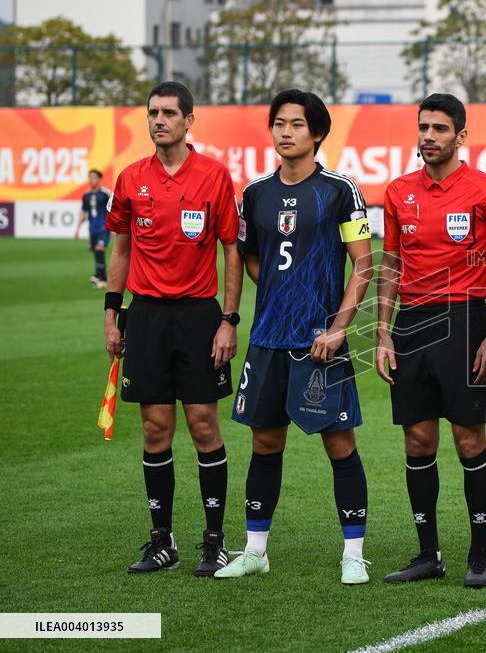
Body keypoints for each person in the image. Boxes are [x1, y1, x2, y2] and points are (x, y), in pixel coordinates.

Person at [216, 89, 374, 585]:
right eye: (279, 123)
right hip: (268, 339)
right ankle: (255, 550)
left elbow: (365, 265)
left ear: (318, 133)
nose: (286, 132)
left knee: (339, 444)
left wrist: (338, 327)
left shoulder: (340, 190)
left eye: (297, 124)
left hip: (319, 342)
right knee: (265, 443)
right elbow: (249, 256)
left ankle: (354, 553)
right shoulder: (255, 194)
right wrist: (279, 298)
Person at [104, 81, 242, 577]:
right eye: (152, 113)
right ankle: (162, 542)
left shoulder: (214, 176)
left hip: (198, 316)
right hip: (144, 316)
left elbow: (231, 250)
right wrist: (111, 314)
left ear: (189, 120)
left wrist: (228, 320)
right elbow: (120, 250)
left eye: (168, 113)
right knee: (154, 427)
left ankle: (214, 541)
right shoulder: (130, 178)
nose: (158, 120)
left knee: (204, 424)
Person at [376, 93, 486, 588]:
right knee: (418, 439)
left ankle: (480, 555)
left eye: (439, 128)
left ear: (461, 135)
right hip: (411, 323)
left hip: (465, 321)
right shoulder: (397, 191)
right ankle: (427, 553)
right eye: (423, 127)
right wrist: (383, 335)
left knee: (468, 437)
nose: (429, 136)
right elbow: (389, 263)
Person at [75, 169, 112, 287]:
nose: (92, 180)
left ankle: (101, 278)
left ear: (99, 179)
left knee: (99, 249)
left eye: (94, 177)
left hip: (104, 227)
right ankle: (100, 277)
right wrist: (77, 228)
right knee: (96, 252)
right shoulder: (86, 195)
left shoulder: (105, 194)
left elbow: (114, 209)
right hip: (92, 229)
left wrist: (115, 227)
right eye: (90, 177)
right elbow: (83, 211)